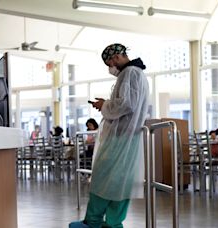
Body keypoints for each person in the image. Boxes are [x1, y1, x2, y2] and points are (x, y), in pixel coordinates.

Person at [69, 43, 149, 228]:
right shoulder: (134, 73)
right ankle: (112, 222)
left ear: (116, 57)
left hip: (120, 138)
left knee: (104, 177)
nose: (110, 67)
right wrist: (107, 104)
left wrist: (104, 105)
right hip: (126, 137)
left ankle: (94, 222)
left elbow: (127, 104)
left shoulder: (131, 73)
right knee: (120, 182)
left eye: (109, 63)